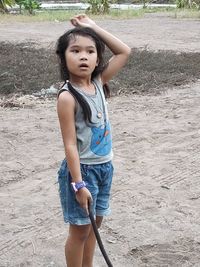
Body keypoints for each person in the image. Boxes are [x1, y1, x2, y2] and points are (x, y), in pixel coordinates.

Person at [56, 14, 131, 267]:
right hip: (83, 172)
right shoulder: (68, 97)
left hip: (104, 167)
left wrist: (93, 27)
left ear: (98, 58)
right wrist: (78, 185)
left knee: (93, 228)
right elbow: (69, 145)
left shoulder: (99, 82)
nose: (83, 56)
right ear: (64, 58)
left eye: (90, 51)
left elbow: (124, 52)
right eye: (75, 51)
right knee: (79, 231)